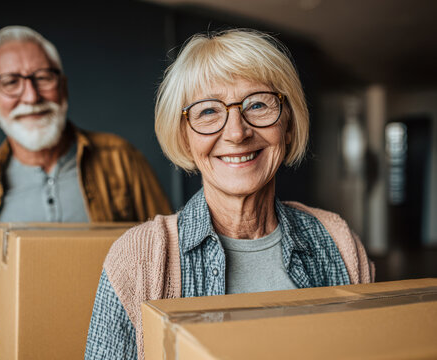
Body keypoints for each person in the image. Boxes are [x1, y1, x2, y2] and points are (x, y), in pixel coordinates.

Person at [85, 29, 375, 360]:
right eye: (208, 111)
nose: (237, 132)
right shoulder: (138, 258)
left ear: (289, 124)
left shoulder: (337, 240)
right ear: (185, 137)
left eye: (257, 105)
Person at [0, 26, 171, 360]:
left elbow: (171, 256)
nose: (31, 96)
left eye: (43, 77)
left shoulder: (122, 160)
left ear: (63, 85)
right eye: (10, 82)